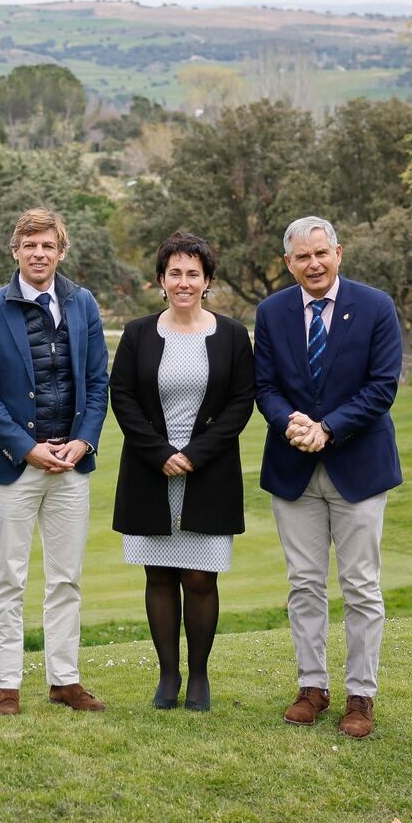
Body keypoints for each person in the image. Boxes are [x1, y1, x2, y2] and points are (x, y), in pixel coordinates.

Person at [252, 215, 403, 739]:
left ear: (338, 252)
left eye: (321, 253)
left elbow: (382, 387)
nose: (313, 264)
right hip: (294, 469)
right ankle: (312, 687)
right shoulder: (271, 313)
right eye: (302, 257)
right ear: (287, 262)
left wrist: (329, 430)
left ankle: (361, 695)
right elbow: (265, 386)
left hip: (358, 468)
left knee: (361, 586)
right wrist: (289, 422)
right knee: (304, 585)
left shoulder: (376, 307)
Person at [0, 208, 111, 715]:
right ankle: (6, 685)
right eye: (30, 246)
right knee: (8, 577)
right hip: (15, 465)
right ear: (16, 251)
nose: (39, 254)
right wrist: (26, 448)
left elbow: (97, 384)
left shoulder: (83, 303)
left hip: (71, 462)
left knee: (66, 577)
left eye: (48, 246)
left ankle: (64, 680)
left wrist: (83, 442)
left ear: (61, 251)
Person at [109, 232, 255, 712]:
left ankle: (199, 677)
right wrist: (159, 453)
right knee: (159, 577)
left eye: (194, 273)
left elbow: (240, 403)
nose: (184, 282)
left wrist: (194, 454)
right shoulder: (138, 334)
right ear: (161, 280)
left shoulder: (232, 336)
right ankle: (167, 677)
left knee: (199, 578)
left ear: (208, 280)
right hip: (150, 472)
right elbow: (123, 398)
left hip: (208, 472)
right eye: (175, 273)